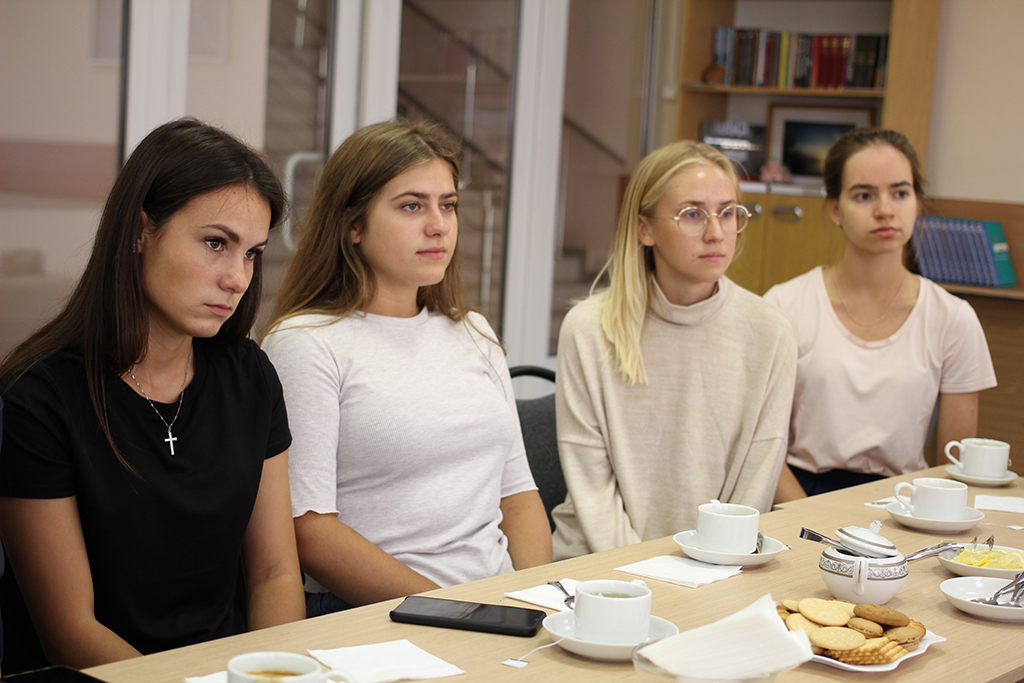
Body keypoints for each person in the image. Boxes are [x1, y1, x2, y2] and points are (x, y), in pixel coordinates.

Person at [0, 118, 305, 673]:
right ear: (141, 231)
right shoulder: (37, 399)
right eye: (216, 243)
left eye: (252, 253)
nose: (238, 279)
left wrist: (268, 672)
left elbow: (274, 573)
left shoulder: (249, 374)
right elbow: (70, 633)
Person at [260, 119, 551, 616]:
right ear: (353, 225)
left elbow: (518, 495)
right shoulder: (306, 342)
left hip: (498, 605)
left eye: (448, 205)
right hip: (376, 612)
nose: (439, 225)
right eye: (412, 206)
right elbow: (309, 530)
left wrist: (535, 601)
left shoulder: (474, 332)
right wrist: (460, 613)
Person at [550, 140, 797, 560]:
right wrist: (648, 573)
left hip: (720, 562)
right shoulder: (588, 330)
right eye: (693, 214)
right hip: (599, 563)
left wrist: (709, 564)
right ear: (644, 229)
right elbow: (592, 493)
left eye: (728, 213)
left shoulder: (770, 331)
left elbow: (756, 482)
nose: (716, 233)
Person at [765, 128, 997, 499]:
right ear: (836, 209)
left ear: (917, 202)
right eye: (864, 195)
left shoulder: (953, 318)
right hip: (799, 496)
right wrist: (808, 518)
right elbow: (761, 446)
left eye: (900, 193)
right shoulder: (784, 305)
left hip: (906, 500)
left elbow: (954, 465)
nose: (885, 210)